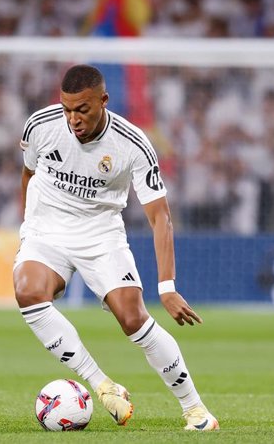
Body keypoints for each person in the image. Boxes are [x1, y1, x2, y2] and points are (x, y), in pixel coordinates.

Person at [13, 64, 219, 431]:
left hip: (101, 235)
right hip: (47, 230)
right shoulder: (41, 126)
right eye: (67, 109)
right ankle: (102, 385)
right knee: (28, 291)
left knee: (132, 317)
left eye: (83, 109)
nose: (73, 119)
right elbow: (28, 175)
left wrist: (167, 288)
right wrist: (27, 230)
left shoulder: (132, 143)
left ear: (103, 101)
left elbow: (161, 218)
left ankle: (196, 410)